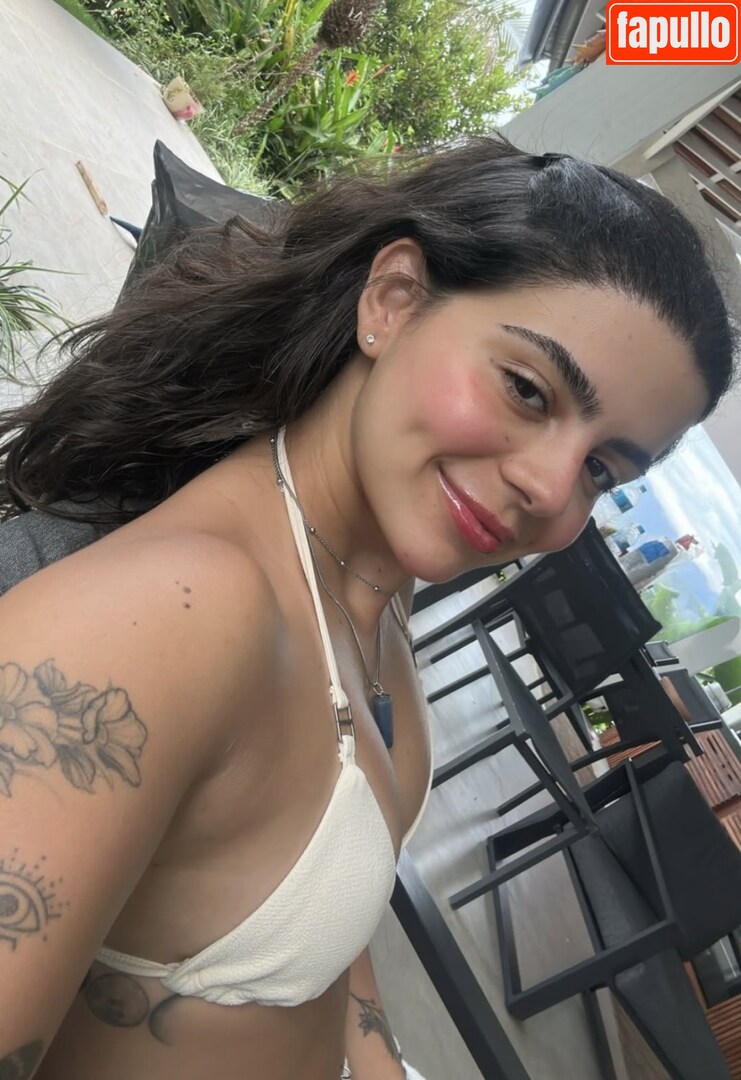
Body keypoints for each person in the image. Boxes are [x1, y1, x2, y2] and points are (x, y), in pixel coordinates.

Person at [0, 136, 735, 1080]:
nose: (550, 486)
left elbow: (316, 928)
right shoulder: (161, 623)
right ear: (392, 301)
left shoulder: (371, 594)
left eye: (601, 469)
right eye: (526, 389)